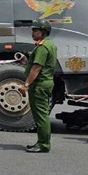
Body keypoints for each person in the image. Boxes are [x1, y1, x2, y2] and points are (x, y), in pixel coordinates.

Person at [18, 19, 57, 153]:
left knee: (41, 116)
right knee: (41, 115)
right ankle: (41, 142)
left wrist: (26, 84)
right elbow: (36, 65)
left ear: (44, 32)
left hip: (40, 84)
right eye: (33, 30)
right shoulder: (49, 45)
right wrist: (26, 62)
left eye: (36, 30)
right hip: (45, 82)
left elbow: (36, 68)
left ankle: (43, 144)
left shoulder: (42, 47)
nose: (33, 32)